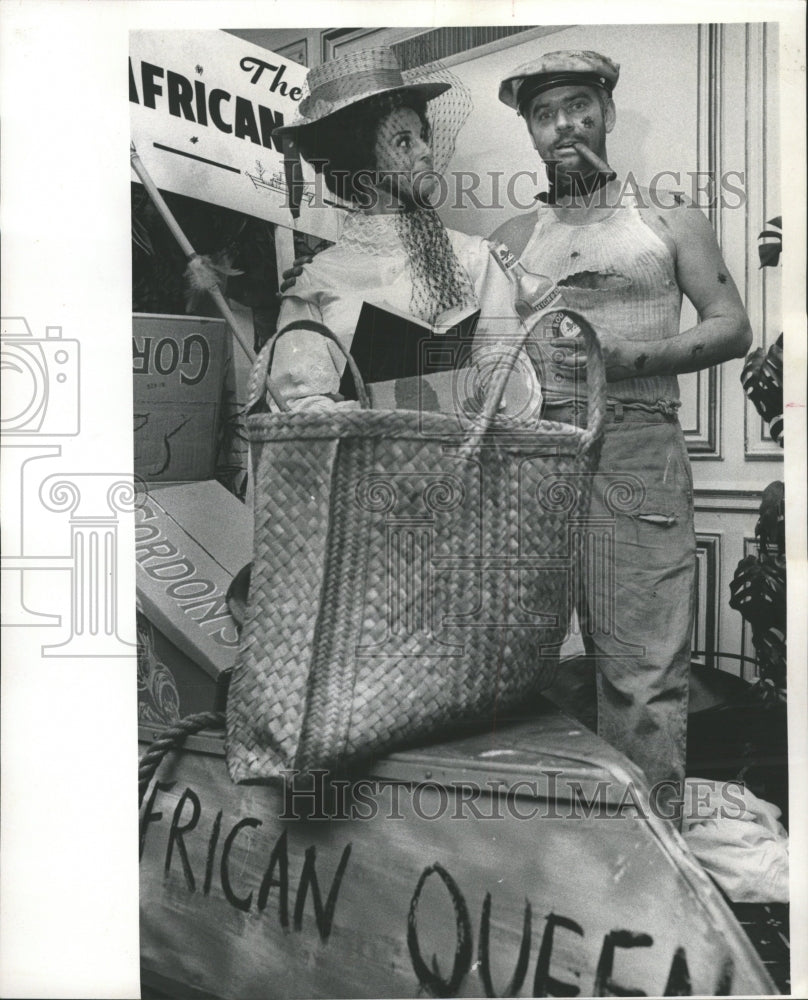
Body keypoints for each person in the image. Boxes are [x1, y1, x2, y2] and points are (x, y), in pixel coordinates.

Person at [493, 50, 752, 823]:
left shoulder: (669, 220)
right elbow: (490, 356)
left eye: (577, 106)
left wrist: (628, 359)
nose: (563, 124)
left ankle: (647, 863)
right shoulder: (511, 236)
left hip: (637, 442)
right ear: (532, 136)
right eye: (545, 114)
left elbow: (733, 327)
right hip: (537, 451)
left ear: (606, 111)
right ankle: (565, 851)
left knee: (642, 670)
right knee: (531, 664)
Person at [267, 47, 534, 415]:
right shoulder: (316, 279)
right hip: (359, 465)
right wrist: (377, 419)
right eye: (403, 141)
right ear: (359, 159)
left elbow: (515, 380)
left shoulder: (474, 257)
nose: (426, 150)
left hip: (466, 464)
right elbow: (293, 406)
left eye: (423, 135)